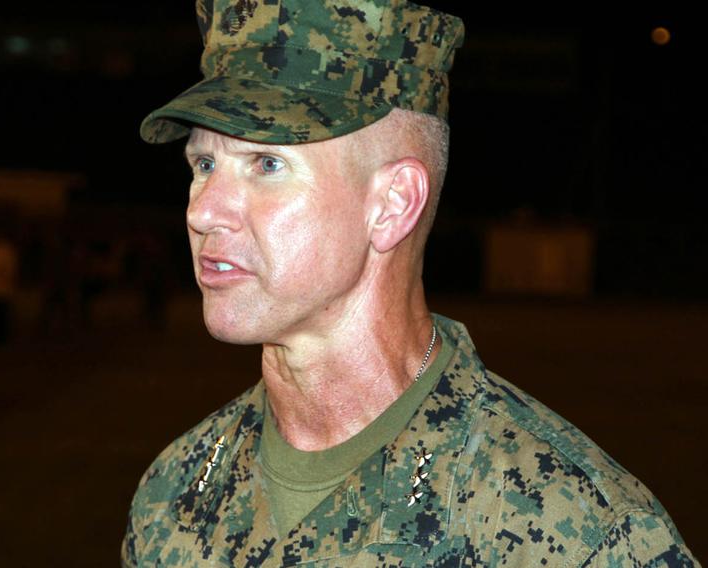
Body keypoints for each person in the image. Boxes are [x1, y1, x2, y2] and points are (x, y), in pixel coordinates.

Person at [122, 1, 699, 566]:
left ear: (393, 204)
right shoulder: (173, 496)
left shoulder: (566, 529)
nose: (204, 211)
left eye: (267, 165)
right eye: (204, 164)